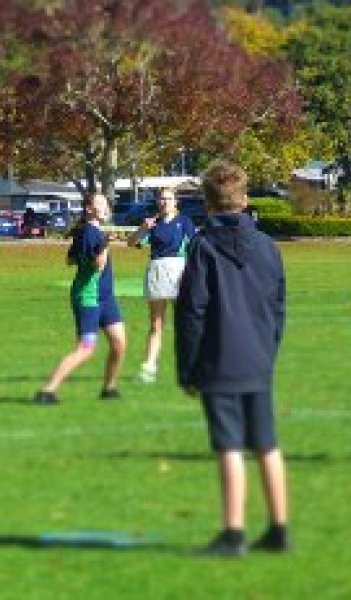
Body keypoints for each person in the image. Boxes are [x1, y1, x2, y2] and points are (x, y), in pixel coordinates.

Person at [175, 161, 289, 557]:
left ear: (207, 203)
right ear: (244, 198)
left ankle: (234, 533)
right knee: (266, 444)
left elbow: (192, 310)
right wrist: (268, 349)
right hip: (258, 357)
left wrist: (188, 366)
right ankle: (279, 527)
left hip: (218, 359)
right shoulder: (269, 247)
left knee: (229, 447)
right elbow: (278, 306)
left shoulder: (203, 246)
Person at [35, 192, 126, 404]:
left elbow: (69, 260)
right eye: (100, 204)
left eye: (106, 204)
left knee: (119, 343)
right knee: (85, 349)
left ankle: (109, 388)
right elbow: (99, 265)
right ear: (89, 209)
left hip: (106, 297)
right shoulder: (90, 233)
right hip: (88, 297)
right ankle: (47, 391)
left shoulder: (89, 232)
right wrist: (104, 244)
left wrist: (89, 251)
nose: (106, 208)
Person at [127, 188, 196, 384]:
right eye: (162, 199)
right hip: (157, 271)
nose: (165, 202)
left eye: (169, 199)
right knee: (156, 324)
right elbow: (131, 243)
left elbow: (194, 248)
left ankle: (190, 366)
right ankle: (149, 367)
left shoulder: (184, 222)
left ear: (176, 202)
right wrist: (142, 229)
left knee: (184, 323)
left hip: (178, 272)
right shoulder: (152, 223)